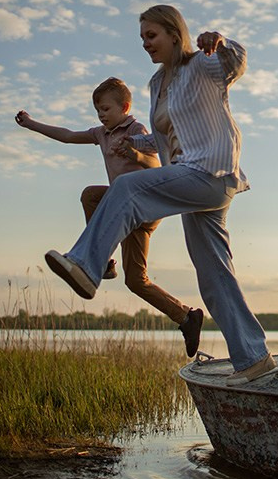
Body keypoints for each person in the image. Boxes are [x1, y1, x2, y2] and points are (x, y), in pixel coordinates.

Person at [43, 4, 273, 386]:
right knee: (214, 274)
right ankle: (253, 358)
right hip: (187, 179)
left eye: (152, 36)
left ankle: (86, 265)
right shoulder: (156, 84)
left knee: (127, 188)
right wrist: (136, 145)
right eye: (142, 38)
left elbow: (236, 63)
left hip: (210, 174)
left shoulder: (203, 63)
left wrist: (219, 39)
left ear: (173, 33)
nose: (146, 44)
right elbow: (166, 136)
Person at [15, 77, 204, 357]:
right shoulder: (101, 134)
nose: (101, 115)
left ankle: (97, 258)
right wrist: (31, 124)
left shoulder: (136, 130)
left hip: (145, 207)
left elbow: (155, 159)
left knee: (93, 195)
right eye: (97, 111)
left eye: (105, 109)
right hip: (122, 212)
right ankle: (187, 317)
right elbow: (67, 136)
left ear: (124, 107)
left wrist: (134, 153)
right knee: (135, 279)